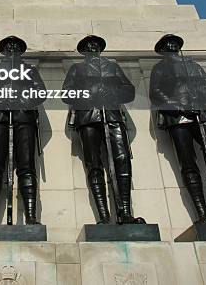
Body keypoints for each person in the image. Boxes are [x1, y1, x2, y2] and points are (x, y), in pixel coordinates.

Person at [62, 34, 144, 224]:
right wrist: (89, 94)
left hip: (112, 115)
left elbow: (129, 90)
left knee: (121, 159)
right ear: (83, 50)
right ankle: (103, 216)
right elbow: (66, 93)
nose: (92, 47)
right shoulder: (77, 68)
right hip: (88, 116)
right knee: (94, 163)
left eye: (96, 44)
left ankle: (124, 212)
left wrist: (113, 92)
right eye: (88, 45)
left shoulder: (112, 67)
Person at [0, 36, 46, 225]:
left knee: (26, 165)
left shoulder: (30, 70)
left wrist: (23, 100)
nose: (12, 49)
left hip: (24, 116)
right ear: (3, 50)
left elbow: (41, 92)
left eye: (16, 46)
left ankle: (31, 216)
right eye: (9, 46)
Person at [150, 34, 206, 223]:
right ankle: (202, 214)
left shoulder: (193, 65)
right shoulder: (160, 68)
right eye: (167, 44)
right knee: (188, 163)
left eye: (174, 43)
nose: (171, 45)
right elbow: (156, 92)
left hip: (201, 114)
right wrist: (178, 106)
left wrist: (200, 97)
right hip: (178, 118)